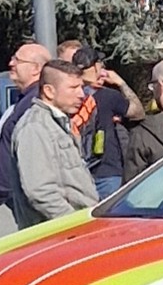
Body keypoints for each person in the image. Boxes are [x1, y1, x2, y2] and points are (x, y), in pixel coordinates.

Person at [10, 58, 101, 224]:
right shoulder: (35, 127)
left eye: (81, 87)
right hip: (57, 231)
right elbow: (40, 191)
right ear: (49, 91)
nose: (81, 94)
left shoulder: (59, 123)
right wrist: (72, 223)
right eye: (73, 88)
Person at [57, 41, 132, 199]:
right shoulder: (109, 96)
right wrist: (121, 83)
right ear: (96, 67)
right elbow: (137, 112)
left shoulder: (63, 95)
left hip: (75, 172)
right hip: (107, 173)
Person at [0, 41, 49, 211]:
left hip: (25, 193)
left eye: (18, 60)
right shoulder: (25, 98)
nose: (11, 63)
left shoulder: (36, 101)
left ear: (36, 68)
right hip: (15, 193)